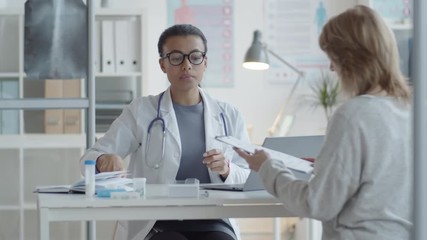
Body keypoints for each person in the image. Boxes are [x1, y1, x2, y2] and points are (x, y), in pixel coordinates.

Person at [235, 5, 412, 240]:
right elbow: (384, 176)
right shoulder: (409, 109)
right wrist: (327, 167)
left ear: (350, 59)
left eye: (333, 58)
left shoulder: (353, 115)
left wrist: (267, 168)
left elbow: (316, 204)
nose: (331, 67)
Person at [80, 24, 250, 240]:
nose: (187, 65)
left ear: (205, 62)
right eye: (177, 57)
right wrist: (104, 160)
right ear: (163, 64)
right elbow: (90, 156)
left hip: (214, 218)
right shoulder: (141, 111)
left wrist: (227, 169)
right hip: (157, 220)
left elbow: (249, 175)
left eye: (195, 57)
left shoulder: (229, 115)